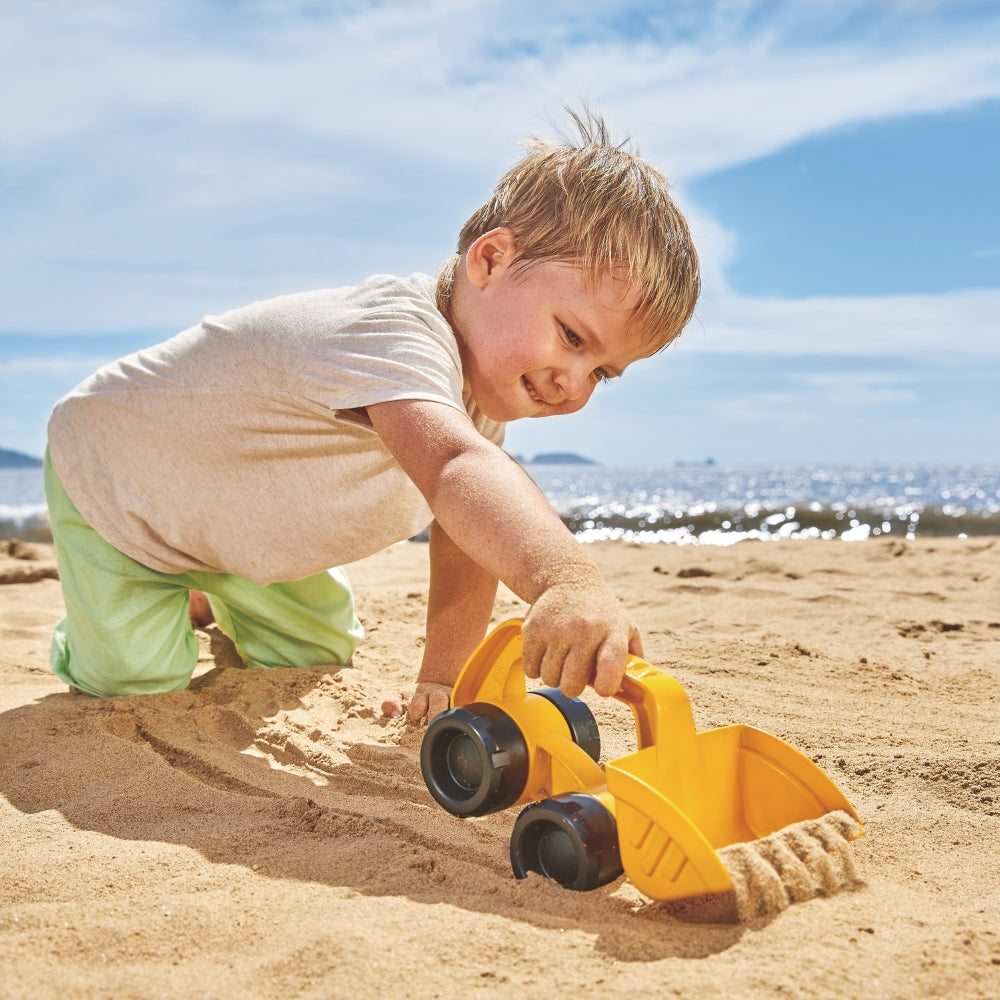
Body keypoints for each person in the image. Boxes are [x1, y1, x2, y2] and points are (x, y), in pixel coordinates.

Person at [44, 110, 700, 723]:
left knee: (317, 652)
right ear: (491, 260)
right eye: (572, 338)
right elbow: (456, 469)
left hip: (235, 527)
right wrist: (566, 578)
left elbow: (466, 533)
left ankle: (204, 591)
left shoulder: (472, 399)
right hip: (121, 483)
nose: (572, 384)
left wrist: (444, 679)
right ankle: (102, 619)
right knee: (137, 679)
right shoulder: (393, 332)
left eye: (603, 374)